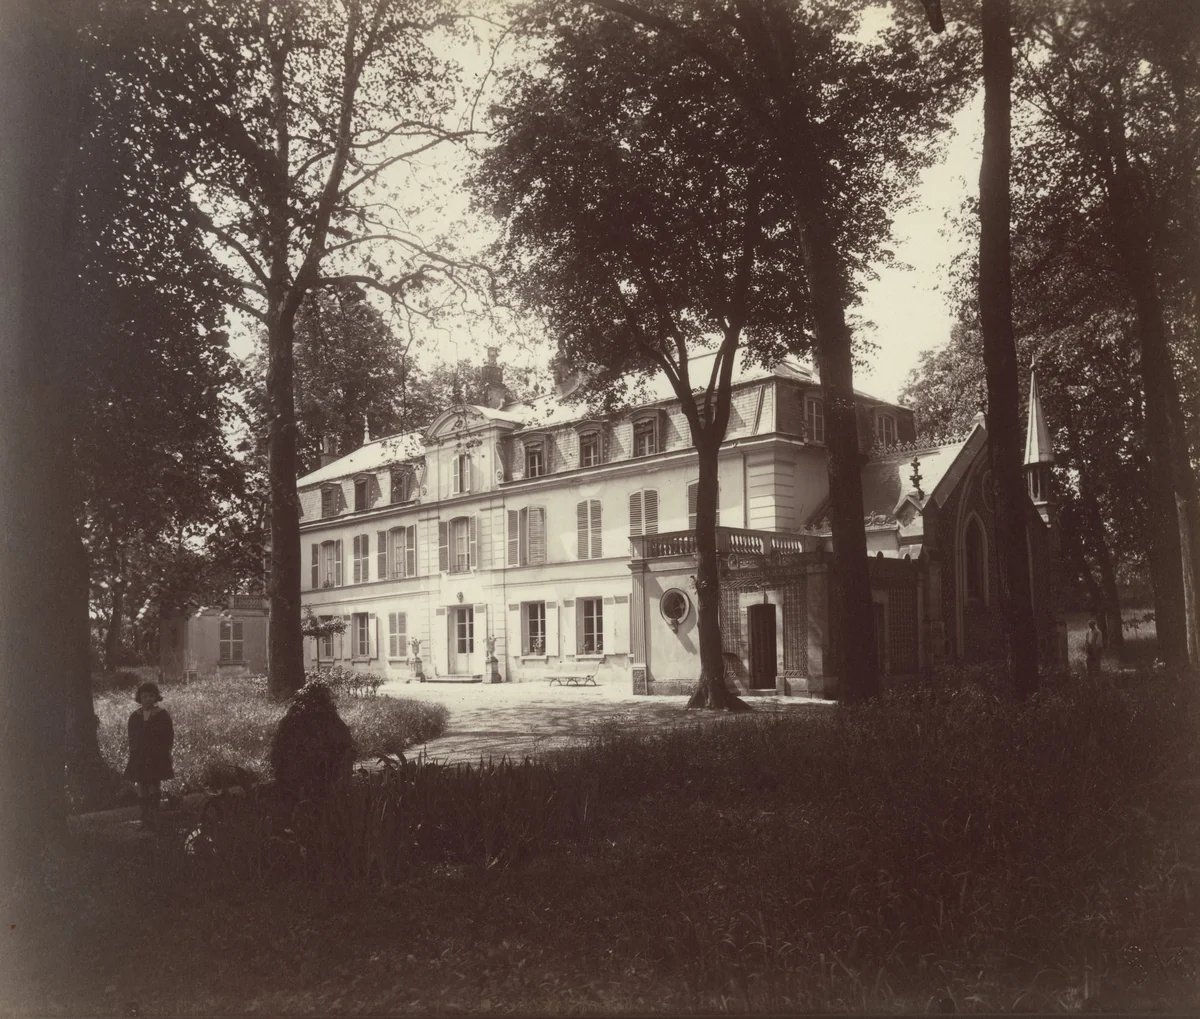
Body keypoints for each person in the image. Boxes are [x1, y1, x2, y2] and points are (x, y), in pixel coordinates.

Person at [125, 682, 174, 830]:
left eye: (151, 696)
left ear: (156, 698)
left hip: (156, 756)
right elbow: (131, 736)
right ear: (139, 698)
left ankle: (155, 817)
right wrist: (133, 751)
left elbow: (169, 735)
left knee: (153, 784)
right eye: (144, 696)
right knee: (141, 785)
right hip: (139, 756)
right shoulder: (135, 716)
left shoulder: (162, 715)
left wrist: (167, 752)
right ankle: (144, 819)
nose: (147, 699)